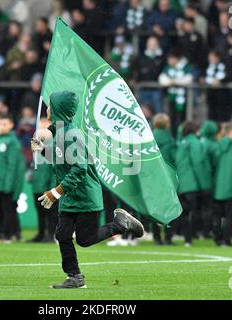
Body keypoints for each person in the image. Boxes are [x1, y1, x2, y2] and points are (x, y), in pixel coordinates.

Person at [31, 91, 144, 289]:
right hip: (70, 197)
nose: (47, 109)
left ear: (58, 108)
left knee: (84, 239)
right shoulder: (59, 132)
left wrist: (56, 192)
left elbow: (79, 169)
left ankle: (121, 224)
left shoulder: (71, 135)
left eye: (50, 105)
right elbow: (62, 161)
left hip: (84, 196)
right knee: (62, 235)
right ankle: (74, 277)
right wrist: (43, 150)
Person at [0, 114, 26, 243]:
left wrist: (8, 184)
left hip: (6, 183)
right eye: (0, 123)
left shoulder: (12, 142)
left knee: (7, 208)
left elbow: (12, 165)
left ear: (11, 125)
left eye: (4, 124)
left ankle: (6, 234)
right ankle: (10, 232)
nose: (1, 126)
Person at [175, 121, 208, 247]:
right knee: (194, 212)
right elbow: (198, 162)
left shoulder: (181, 143)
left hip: (181, 184)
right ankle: (192, 237)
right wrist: (204, 184)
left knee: (184, 213)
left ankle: (186, 238)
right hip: (192, 184)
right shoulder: (195, 142)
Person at [212, 123, 232, 247]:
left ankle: (217, 238)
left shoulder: (216, 147)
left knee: (218, 215)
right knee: (230, 215)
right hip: (231, 187)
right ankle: (227, 239)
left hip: (217, 186)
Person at [29, 118, 57, 243]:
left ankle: (51, 234)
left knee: (51, 212)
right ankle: (41, 233)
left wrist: (53, 187)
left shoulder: (54, 144)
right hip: (37, 184)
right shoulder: (36, 144)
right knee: (40, 211)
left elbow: (55, 167)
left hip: (48, 185)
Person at [152, 113, 176, 245]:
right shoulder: (171, 141)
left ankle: (156, 237)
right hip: (168, 177)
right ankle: (168, 237)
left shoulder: (149, 139)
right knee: (169, 208)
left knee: (154, 208)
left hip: (153, 178)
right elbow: (174, 159)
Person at [159, 50, 193, 135]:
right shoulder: (168, 68)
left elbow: (188, 79)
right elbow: (161, 79)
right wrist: (170, 82)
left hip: (183, 98)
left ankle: (184, 135)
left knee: (182, 118)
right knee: (172, 118)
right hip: (172, 98)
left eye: (170, 59)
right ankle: (174, 136)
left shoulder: (185, 67)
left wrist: (176, 82)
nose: (169, 61)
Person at [205, 50, 230, 121]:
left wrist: (220, 81)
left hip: (221, 96)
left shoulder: (224, 66)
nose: (210, 59)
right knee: (211, 115)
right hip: (211, 95)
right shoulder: (208, 66)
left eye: (212, 57)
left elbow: (229, 76)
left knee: (221, 116)